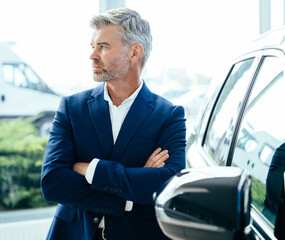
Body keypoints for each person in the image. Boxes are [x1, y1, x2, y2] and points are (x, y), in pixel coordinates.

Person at [41, 8, 186, 240]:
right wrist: (130, 195)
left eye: (103, 46)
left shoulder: (168, 115)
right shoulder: (72, 107)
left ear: (134, 52)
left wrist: (92, 170)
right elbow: (53, 183)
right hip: (75, 234)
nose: (93, 55)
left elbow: (166, 185)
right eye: (93, 47)